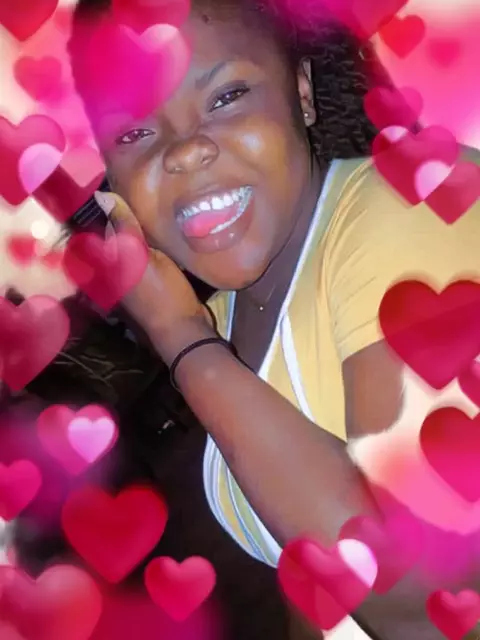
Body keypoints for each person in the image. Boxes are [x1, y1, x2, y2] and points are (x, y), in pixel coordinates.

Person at [68, 0, 480, 638]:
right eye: (133, 133)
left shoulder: (415, 208)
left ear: (302, 92)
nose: (185, 151)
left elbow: (423, 600)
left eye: (226, 96)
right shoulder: (227, 315)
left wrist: (182, 340)